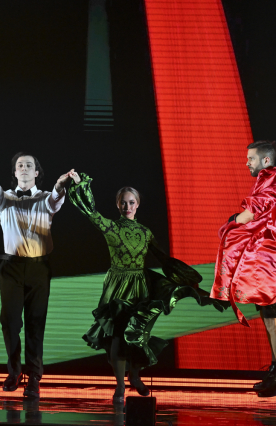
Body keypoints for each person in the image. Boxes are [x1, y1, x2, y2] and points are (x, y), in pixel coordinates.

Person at [67, 171, 227, 402]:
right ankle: (120, 387)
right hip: (117, 288)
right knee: (117, 337)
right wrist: (81, 184)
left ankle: (134, 376)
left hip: (141, 287)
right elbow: (91, 212)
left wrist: (190, 284)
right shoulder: (111, 227)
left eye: (131, 202)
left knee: (138, 334)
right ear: (117, 204)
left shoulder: (145, 232)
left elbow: (163, 258)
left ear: (138, 204)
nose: (127, 206)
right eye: (123, 202)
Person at [211, 140, 276, 398]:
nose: (247, 163)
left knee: (274, 321)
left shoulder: (274, 180)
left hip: (272, 263)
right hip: (265, 262)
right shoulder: (272, 179)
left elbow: (254, 211)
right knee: (269, 320)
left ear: (265, 160)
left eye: (251, 158)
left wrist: (233, 221)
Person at [0, 152, 71, 399]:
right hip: (11, 268)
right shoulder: (5, 199)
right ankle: (14, 371)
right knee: (9, 322)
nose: (25, 168)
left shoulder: (45, 199)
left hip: (39, 268)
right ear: (15, 172)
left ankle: (34, 377)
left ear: (36, 172)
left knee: (35, 323)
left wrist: (60, 184)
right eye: (20, 165)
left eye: (29, 165)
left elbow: (56, 197)